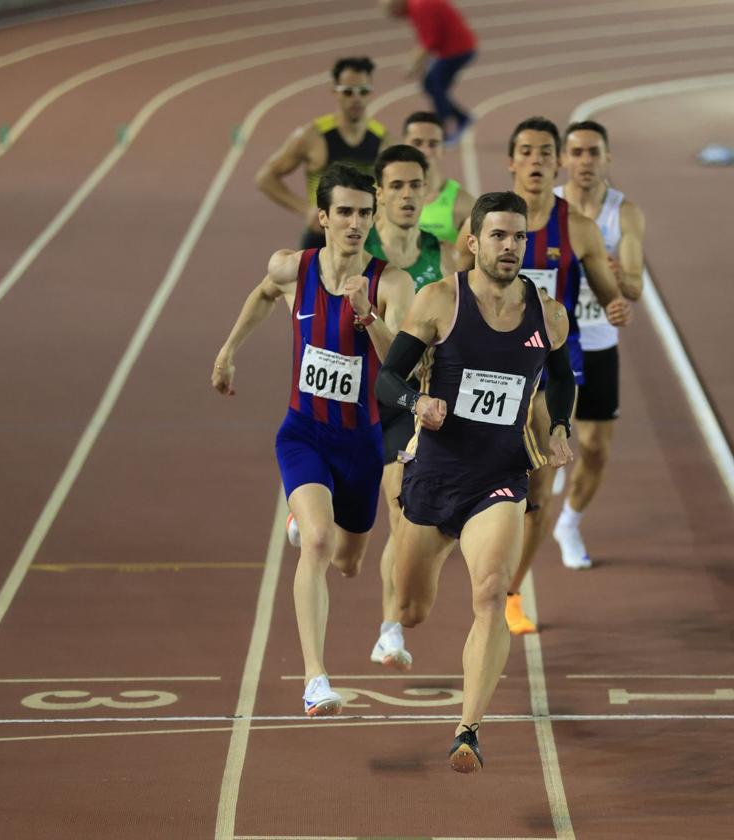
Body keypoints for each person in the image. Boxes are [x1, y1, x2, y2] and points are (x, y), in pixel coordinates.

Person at [376, 191, 575, 772]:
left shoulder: (548, 313)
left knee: (490, 593)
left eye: (518, 237)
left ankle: (468, 729)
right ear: (473, 241)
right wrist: (419, 402)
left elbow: (561, 378)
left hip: (500, 477)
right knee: (412, 610)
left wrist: (559, 424)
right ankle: (398, 618)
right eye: (498, 236)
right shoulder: (440, 299)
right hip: (434, 476)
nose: (510, 246)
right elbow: (389, 379)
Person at [212, 164, 413, 716]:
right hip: (303, 432)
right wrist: (229, 352)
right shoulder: (290, 267)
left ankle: (306, 519)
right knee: (319, 545)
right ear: (323, 216)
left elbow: (402, 365)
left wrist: (366, 315)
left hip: (363, 442)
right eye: (344, 212)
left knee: (349, 562)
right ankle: (315, 678)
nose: (354, 223)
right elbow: (261, 294)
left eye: (364, 213)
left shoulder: (392, 282)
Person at [455, 116, 630, 634]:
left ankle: (509, 591)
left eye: (545, 153)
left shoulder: (577, 226)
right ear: (510, 161)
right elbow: (456, 287)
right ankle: (469, 544)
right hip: (486, 366)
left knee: (539, 484)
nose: (535, 161)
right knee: (470, 470)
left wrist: (618, 303)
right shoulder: (481, 220)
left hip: (552, 367)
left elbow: (607, 294)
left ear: (558, 163)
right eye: (526, 152)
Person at [362, 144, 446, 671]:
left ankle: (389, 629)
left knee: (400, 511)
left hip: (407, 401)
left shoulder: (441, 251)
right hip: (358, 396)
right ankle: (302, 498)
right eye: (396, 186)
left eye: (415, 185)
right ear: (379, 194)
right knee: (346, 545)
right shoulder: (359, 246)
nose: (408, 195)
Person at [551, 120, 645, 570]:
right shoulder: (549, 210)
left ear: (607, 158)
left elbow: (635, 289)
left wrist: (614, 273)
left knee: (595, 448)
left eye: (594, 152)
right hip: (551, 342)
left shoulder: (623, 214)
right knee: (545, 436)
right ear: (563, 160)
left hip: (599, 341)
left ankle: (568, 522)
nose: (585, 161)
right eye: (577, 152)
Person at [256, 57, 390, 250]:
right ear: (335, 92)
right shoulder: (313, 136)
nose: (356, 98)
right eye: (348, 92)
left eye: (363, 91)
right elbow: (265, 178)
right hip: (322, 241)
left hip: (366, 242)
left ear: (371, 93)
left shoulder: (383, 139)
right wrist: (305, 210)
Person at [380, 0, 476, 143]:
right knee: (431, 84)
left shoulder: (420, 7)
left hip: (457, 50)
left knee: (436, 87)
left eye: (392, 12)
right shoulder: (416, 6)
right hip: (451, 49)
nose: (395, 17)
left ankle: (443, 130)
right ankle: (461, 118)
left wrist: (413, 65)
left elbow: (430, 41)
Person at [402, 111, 475, 253]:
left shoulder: (463, 204)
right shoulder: (383, 200)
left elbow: (476, 259)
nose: (425, 151)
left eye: (433, 144)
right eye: (417, 143)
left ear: (443, 149)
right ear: (404, 145)